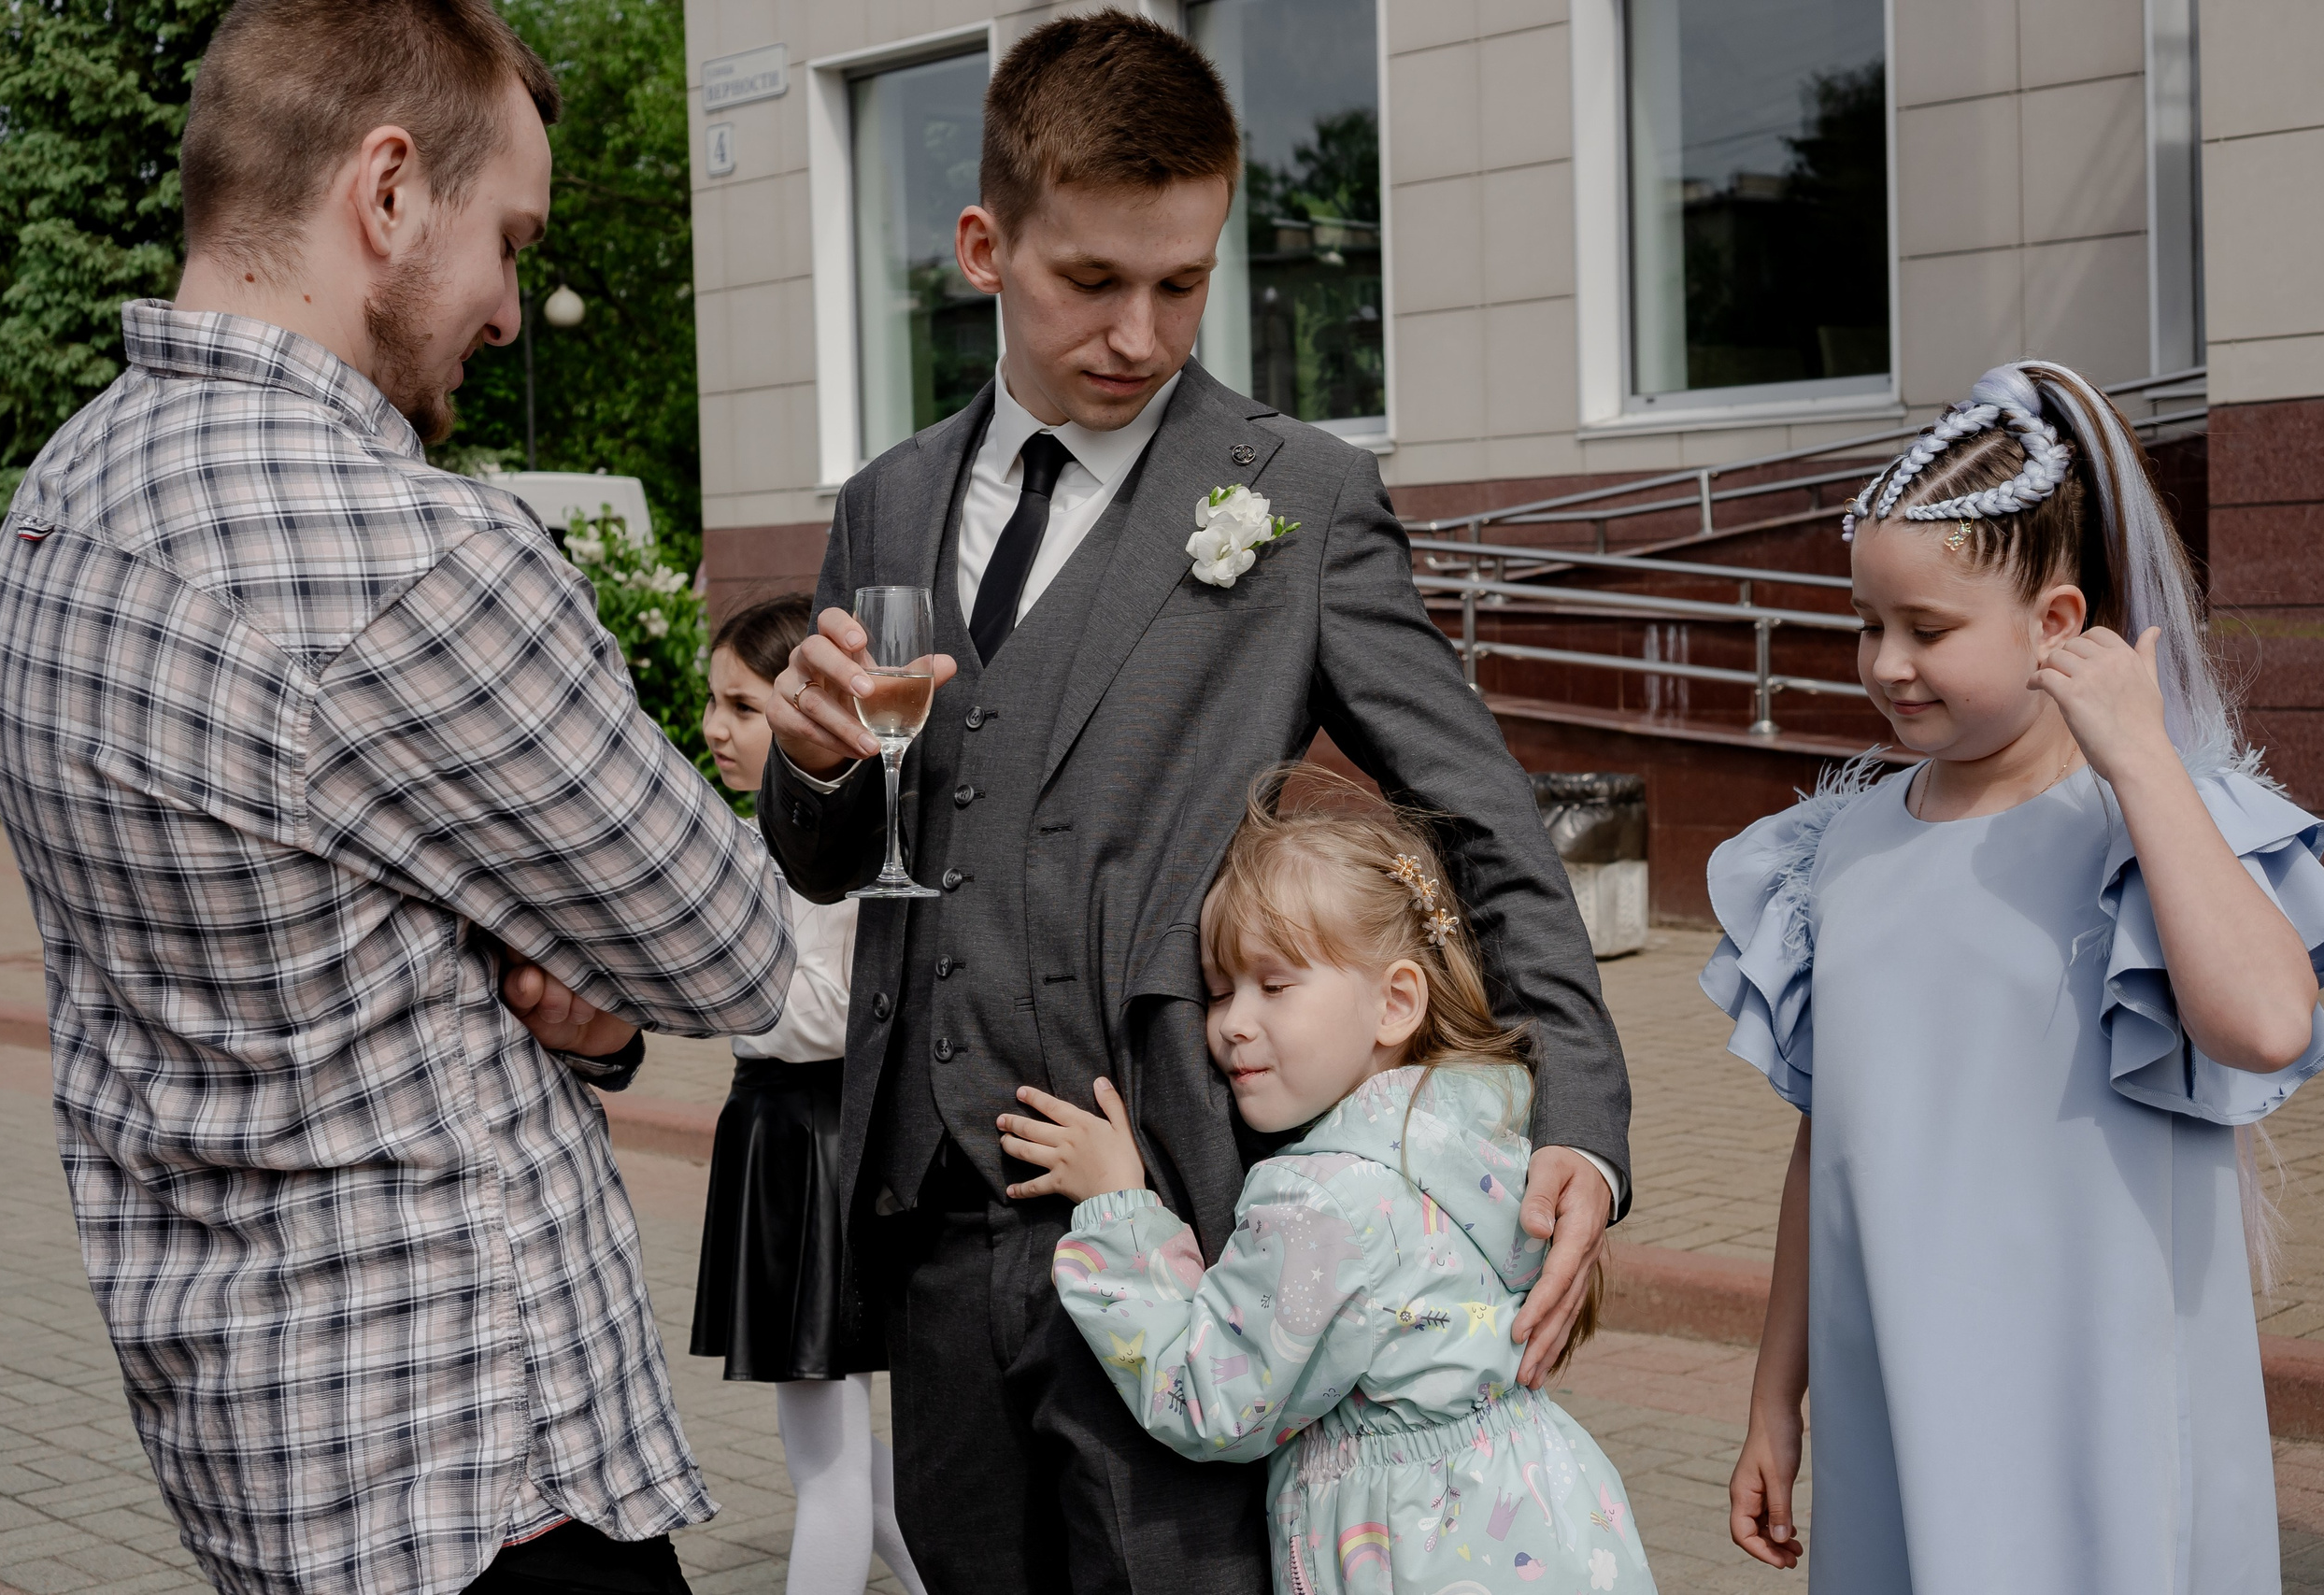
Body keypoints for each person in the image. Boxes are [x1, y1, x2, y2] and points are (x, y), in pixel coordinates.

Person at [757, 14, 1632, 1591]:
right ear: (984, 246)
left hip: (1186, 1228)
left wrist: (1582, 1115)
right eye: (1093, 281)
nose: (1143, 334)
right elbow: (838, 853)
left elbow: (1485, 817)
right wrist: (812, 764)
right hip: (937, 1228)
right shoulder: (884, 501)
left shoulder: (1291, 492)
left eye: (1184, 281)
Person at [0, 4, 796, 1592]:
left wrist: (576, 1009)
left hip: (252, 1451)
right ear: (389, 190)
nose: (508, 311)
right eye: (511, 242)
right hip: (476, 1477)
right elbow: (735, 948)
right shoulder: (410, 559)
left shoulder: (56, 507)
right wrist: (606, 991)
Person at [1704, 361, 2324, 1593]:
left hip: (2089, 1389)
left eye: (1928, 629)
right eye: (1866, 622)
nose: (1886, 663)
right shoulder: (1834, 846)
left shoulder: (2151, 821)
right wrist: (1773, 1400)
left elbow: (2270, 1023)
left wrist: (2143, 761)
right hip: (1892, 1382)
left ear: (2058, 624)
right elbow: (1820, 1145)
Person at [1004, 769, 1659, 1595]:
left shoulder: (1322, 1198)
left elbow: (1212, 1397)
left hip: (1409, 1549)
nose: (1234, 1021)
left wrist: (1117, 1210)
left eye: (1274, 985)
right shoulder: (1485, 1126)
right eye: (1216, 991)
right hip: (1544, 1516)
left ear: (1395, 1004)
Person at [691, 592, 927, 1595]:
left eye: (742, 706)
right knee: (848, 1465)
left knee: (824, 1471)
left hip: (810, 1135)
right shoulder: (772, 822)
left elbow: (834, 1010)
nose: (714, 727)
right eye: (715, 702)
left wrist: (705, 997)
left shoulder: (818, 833)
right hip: (788, 1134)